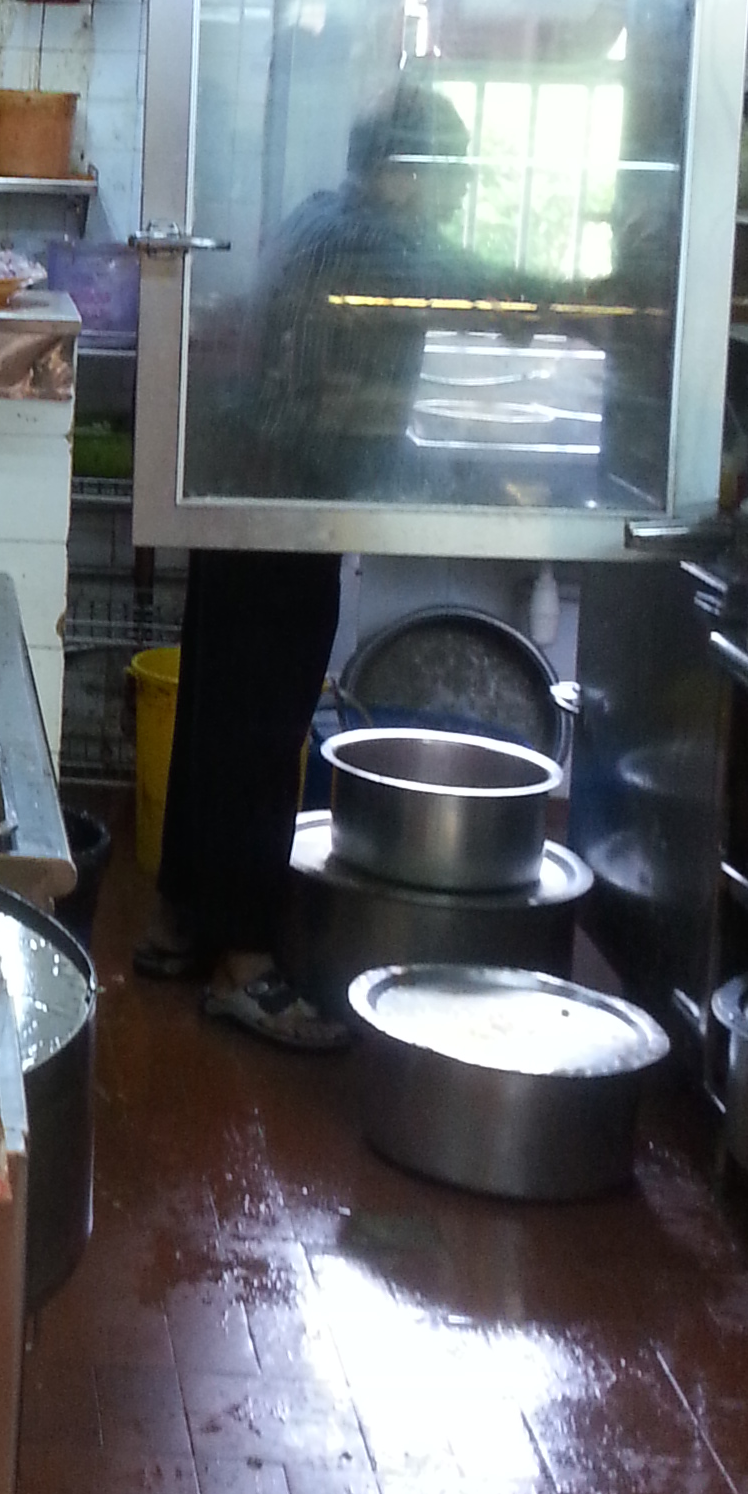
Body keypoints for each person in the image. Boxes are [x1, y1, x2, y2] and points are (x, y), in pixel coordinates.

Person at [138, 80, 476, 1050]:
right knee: (263, 726)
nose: (455, 192)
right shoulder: (377, 243)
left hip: (241, 485)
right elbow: (475, 285)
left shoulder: (319, 217)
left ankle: (181, 922)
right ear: (402, 170)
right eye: (448, 174)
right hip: (291, 498)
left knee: (215, 709)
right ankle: (246, 963)